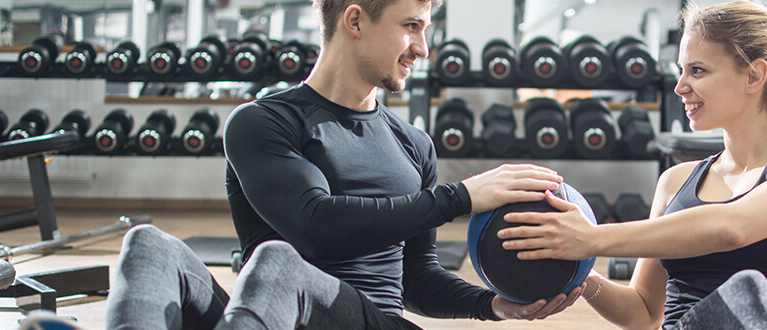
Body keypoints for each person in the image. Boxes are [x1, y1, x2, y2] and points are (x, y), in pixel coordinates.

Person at [105, 0, 583, 328]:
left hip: (371, 321)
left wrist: (492, 305)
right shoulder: (263, 122)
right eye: (411, 26)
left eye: (425, 29)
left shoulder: (412, 143)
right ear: (355, 21)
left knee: (278, 263)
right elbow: (314, 225)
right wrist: (459, 198)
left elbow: (414, 278)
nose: (422, 49)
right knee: (148, 245)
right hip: (272, 316)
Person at [497, 2, 767, 329]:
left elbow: (733, 227)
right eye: (681, 70)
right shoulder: (675, 181)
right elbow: (644, 314)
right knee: (748, 292)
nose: (680, 86)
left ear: (754, 75)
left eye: (697, 71)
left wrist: (592, 239)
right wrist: (578, 275)